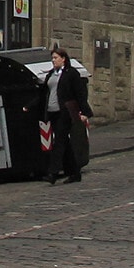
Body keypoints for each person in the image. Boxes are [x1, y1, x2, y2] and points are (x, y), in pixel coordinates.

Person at [45, 44, 89, 183]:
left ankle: (53, 172)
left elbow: (80, 93)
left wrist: (84, 112)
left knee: (59, 141)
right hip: (52, 112)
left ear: (63, 58)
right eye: (52, 58)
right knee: (65, 143)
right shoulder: (51, 74)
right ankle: (75, 173)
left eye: (56, 58)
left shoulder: (71, 73)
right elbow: (44, 93)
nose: (53, 60)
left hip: (65, 112)